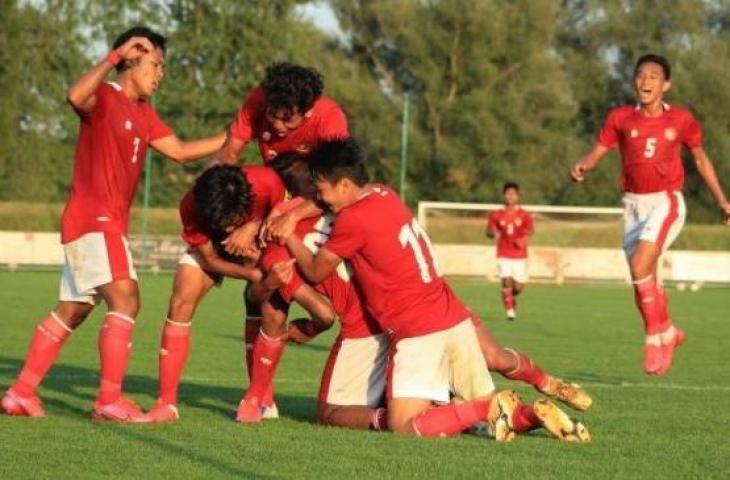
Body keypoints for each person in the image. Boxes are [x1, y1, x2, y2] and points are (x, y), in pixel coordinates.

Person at [279, 139, 590, 441]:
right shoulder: (383, 193)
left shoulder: (353, 219)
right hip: (453, 318)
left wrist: (288, 232)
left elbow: (316, 269)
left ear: (344, 184)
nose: (321, 200)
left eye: (322, 191)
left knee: (403, 424)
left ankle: (488, 405)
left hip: (417, 330)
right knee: (489, 406)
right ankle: (533, 415)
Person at [1, 26, 226, 421]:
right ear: (131, 60)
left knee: (73, 309)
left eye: (162, 67)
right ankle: (108, 401)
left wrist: (235, 136)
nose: (160, 74)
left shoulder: (144, 112)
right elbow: (74, 96)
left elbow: (180, 151)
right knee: (127, 298)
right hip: (94, 219)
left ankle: (20, 392)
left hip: (98, 224)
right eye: (156, 64)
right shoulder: (104, 95)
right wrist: (111, 56)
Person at [570, 53, 730, 375]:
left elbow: (700, 159)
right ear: (635, 81)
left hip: (665, 202)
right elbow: (599, 150)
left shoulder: (681, 120)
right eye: (641, 75)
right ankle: (669, 332)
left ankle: (655, 338)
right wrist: (584, 164)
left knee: (641, 264)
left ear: (665, 85)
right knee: (642, 279)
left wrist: (723, 201)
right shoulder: (620, 118)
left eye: (653, 76)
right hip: (632, 205)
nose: (646, 81)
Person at [143, 164, 337, 422]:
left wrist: (252, 228)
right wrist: (254, 276)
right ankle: (166, 403)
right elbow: (209, 260)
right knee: (180, 301)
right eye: (219, 223)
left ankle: (260, 399)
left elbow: (280, 219)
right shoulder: (190, 205)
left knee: (269, 309)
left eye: (231, 221)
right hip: (215, 253)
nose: (226, 229)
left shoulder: (267, 182)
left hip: (261, 243)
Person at [211, 63, 350, 403]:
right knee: (261, 298)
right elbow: (229, 154)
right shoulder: (257, 101)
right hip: (279, 208)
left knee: (274, 292)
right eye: (273, 115)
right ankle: (260, 397)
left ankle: (259, 396)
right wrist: (216, 204)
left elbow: (340, 187)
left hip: (318, 210)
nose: (277, 125)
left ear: (309, 110)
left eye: (289, 120)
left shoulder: (330, 119)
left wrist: (285, 216)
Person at [486, 182, 533, 321]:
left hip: (520, 255)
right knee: (506, 281)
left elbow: (530, 230)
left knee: (517, 288)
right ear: (503, 195)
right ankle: (510, 312)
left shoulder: (524, 215)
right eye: (508, 194)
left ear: (518, 196)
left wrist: (524, 238)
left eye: (513, 194)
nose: (510, 197)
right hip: (503, 254)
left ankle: (510, 298)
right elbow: (488, 231)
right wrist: (493, 233)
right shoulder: (496, 215)